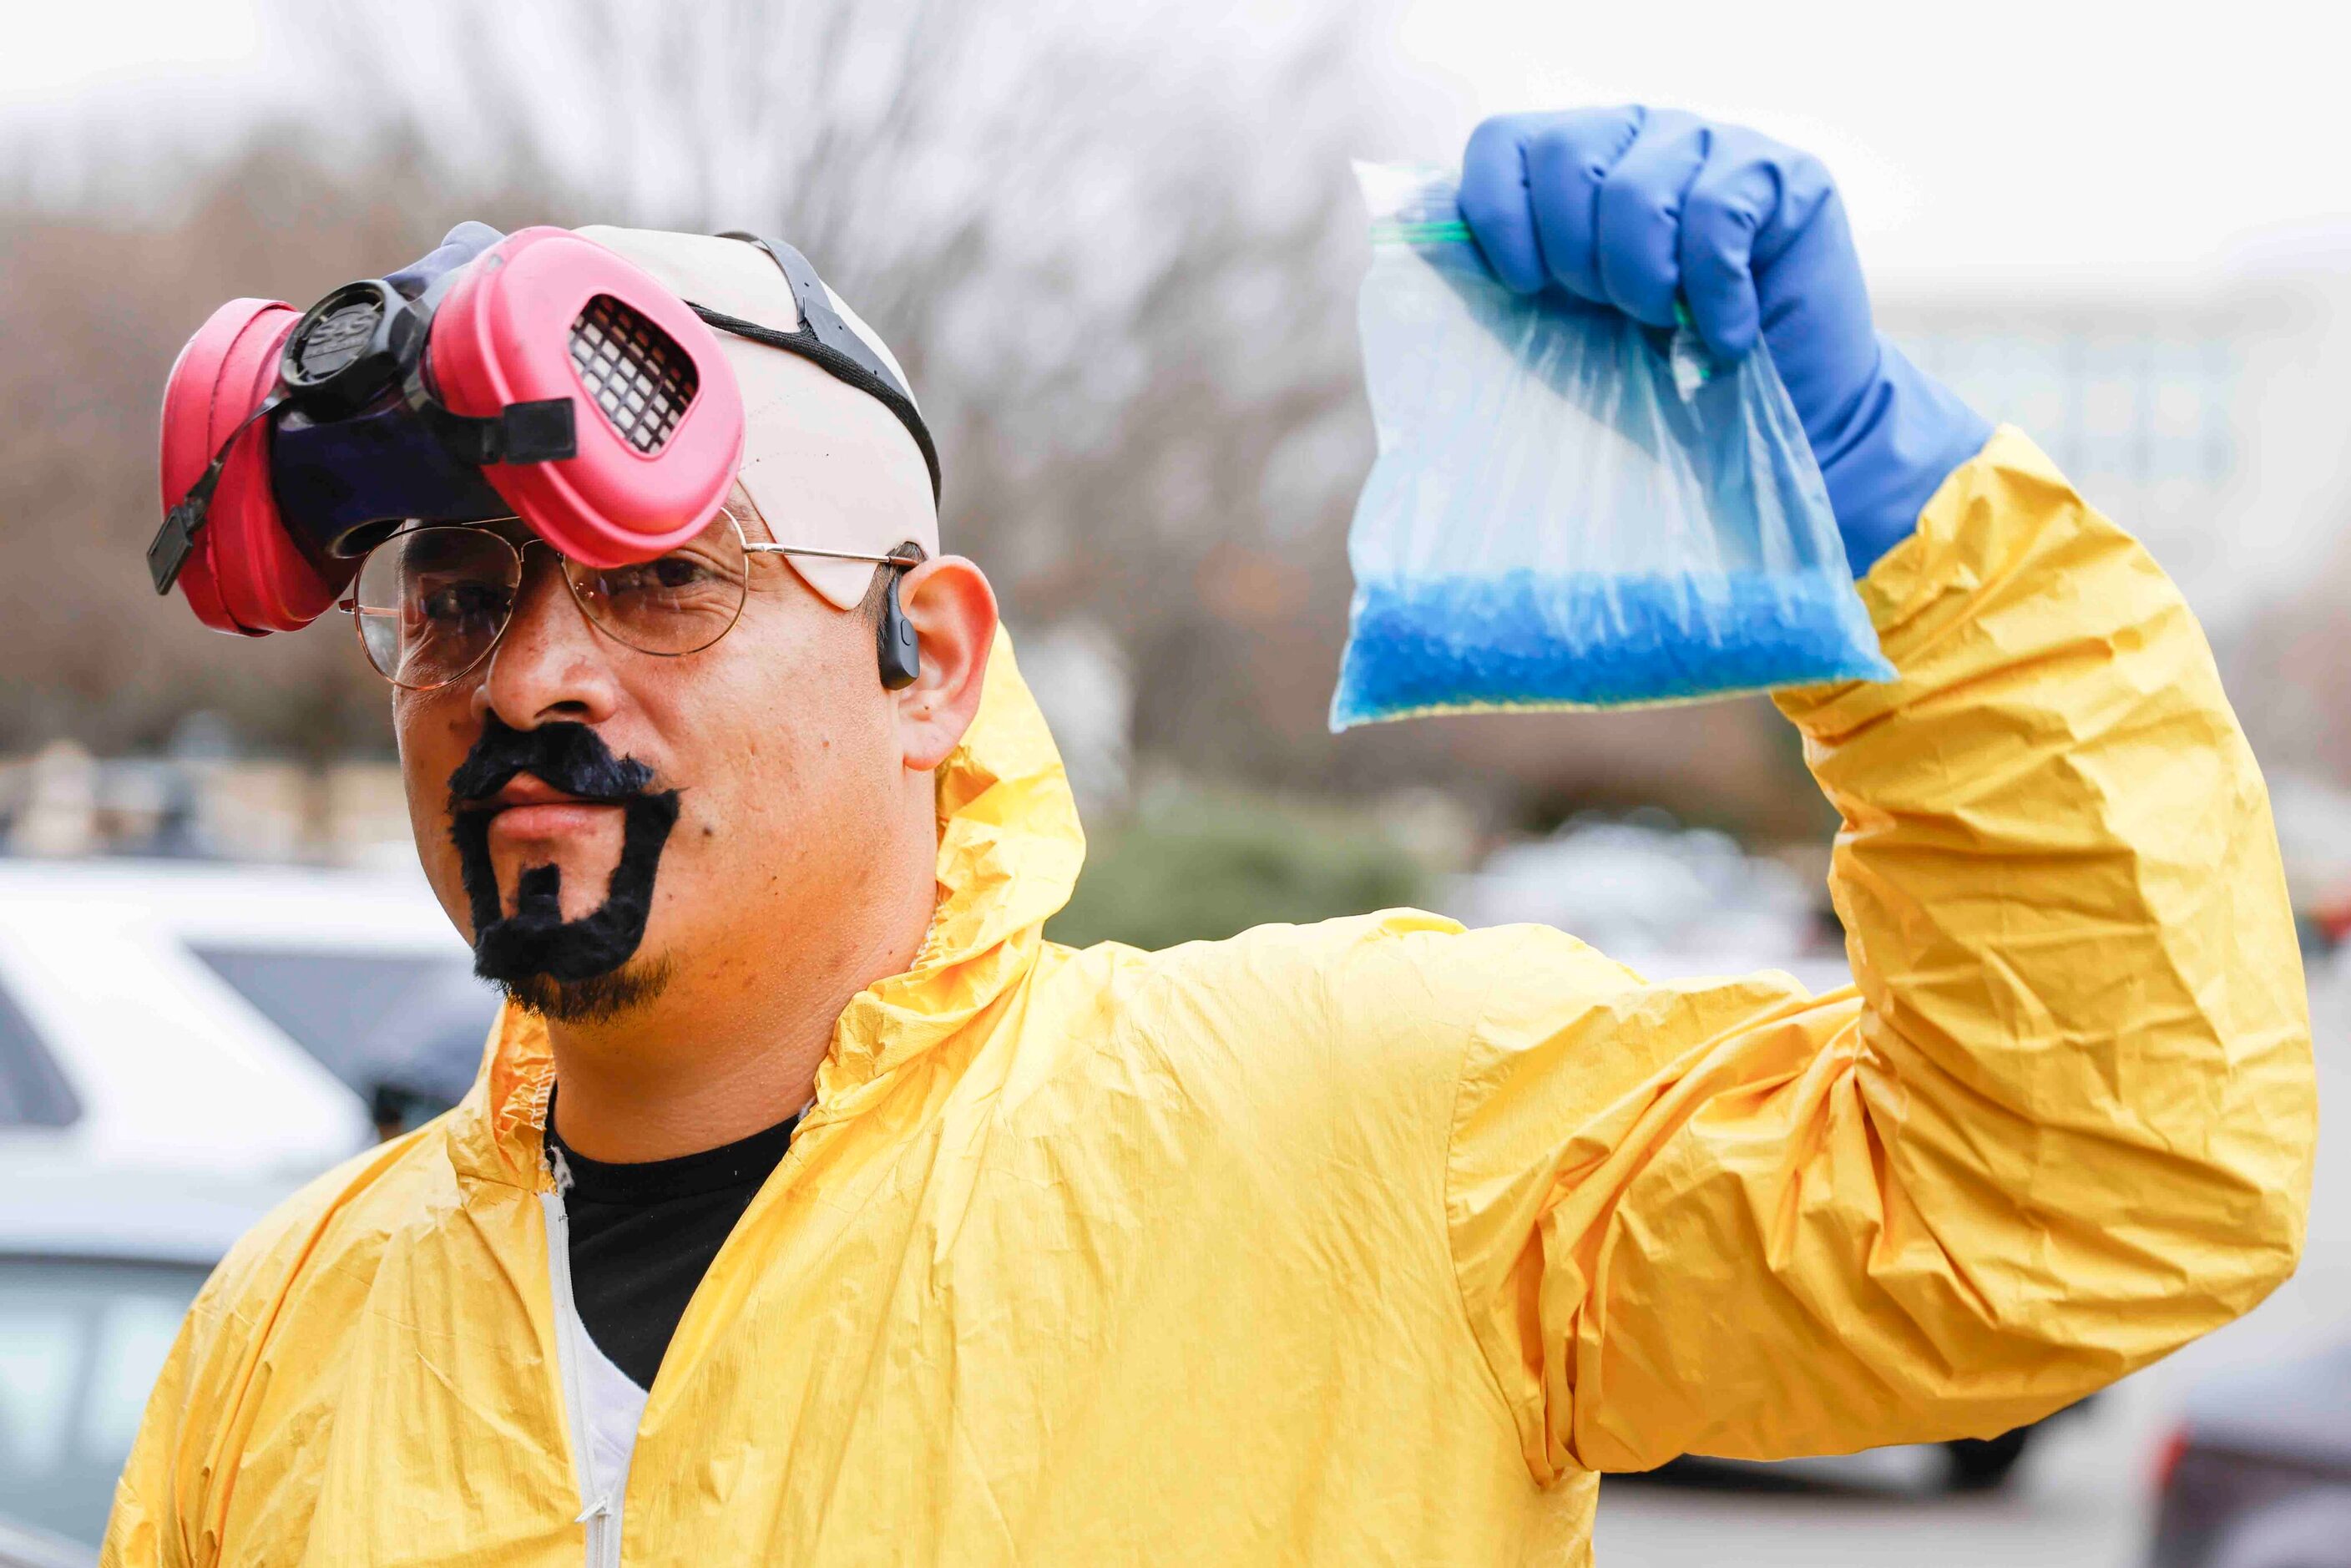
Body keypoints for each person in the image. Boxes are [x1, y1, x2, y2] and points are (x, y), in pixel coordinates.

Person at [103, 106, 2315, 1566]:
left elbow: (2094, 1192)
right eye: (459, 600)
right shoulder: (294, 1329)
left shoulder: (1371, 1133)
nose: (530, 682)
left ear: (932, 668)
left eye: (668, 578)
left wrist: (1902, 526)